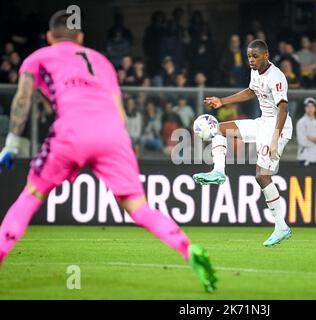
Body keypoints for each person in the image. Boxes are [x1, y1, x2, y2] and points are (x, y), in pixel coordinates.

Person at [0, 10, 217, 292]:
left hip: (72, 132)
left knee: (31, 196)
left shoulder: (38, 57)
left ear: (49, 37)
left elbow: (22, 99)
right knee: (139, 208)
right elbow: (121, 116)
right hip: (113, 135)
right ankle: (188, 249)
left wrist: (12, 143)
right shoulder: (102, 61)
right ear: (81, 38)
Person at [193, 39, 293, 247]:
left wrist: (274, 138)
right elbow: (250, 92)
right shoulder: (255, 72)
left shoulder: (276, 77)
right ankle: (218, 171)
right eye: (249, 56)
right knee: (219, 129)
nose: (251, 60)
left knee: (262, 176)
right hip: (262, 122)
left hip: (278, 127)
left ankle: (281, 226)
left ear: (266, 55)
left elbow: (283, 109)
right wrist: (222, 101)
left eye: (255, 56)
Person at [296, 97, 316, 166]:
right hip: (305, 158)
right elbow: (302, 142)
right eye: (308, 106)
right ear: (305, 108)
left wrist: (311, 138)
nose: (310, 108)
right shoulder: (301, 122)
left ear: (315, 108)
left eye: (312, 106)